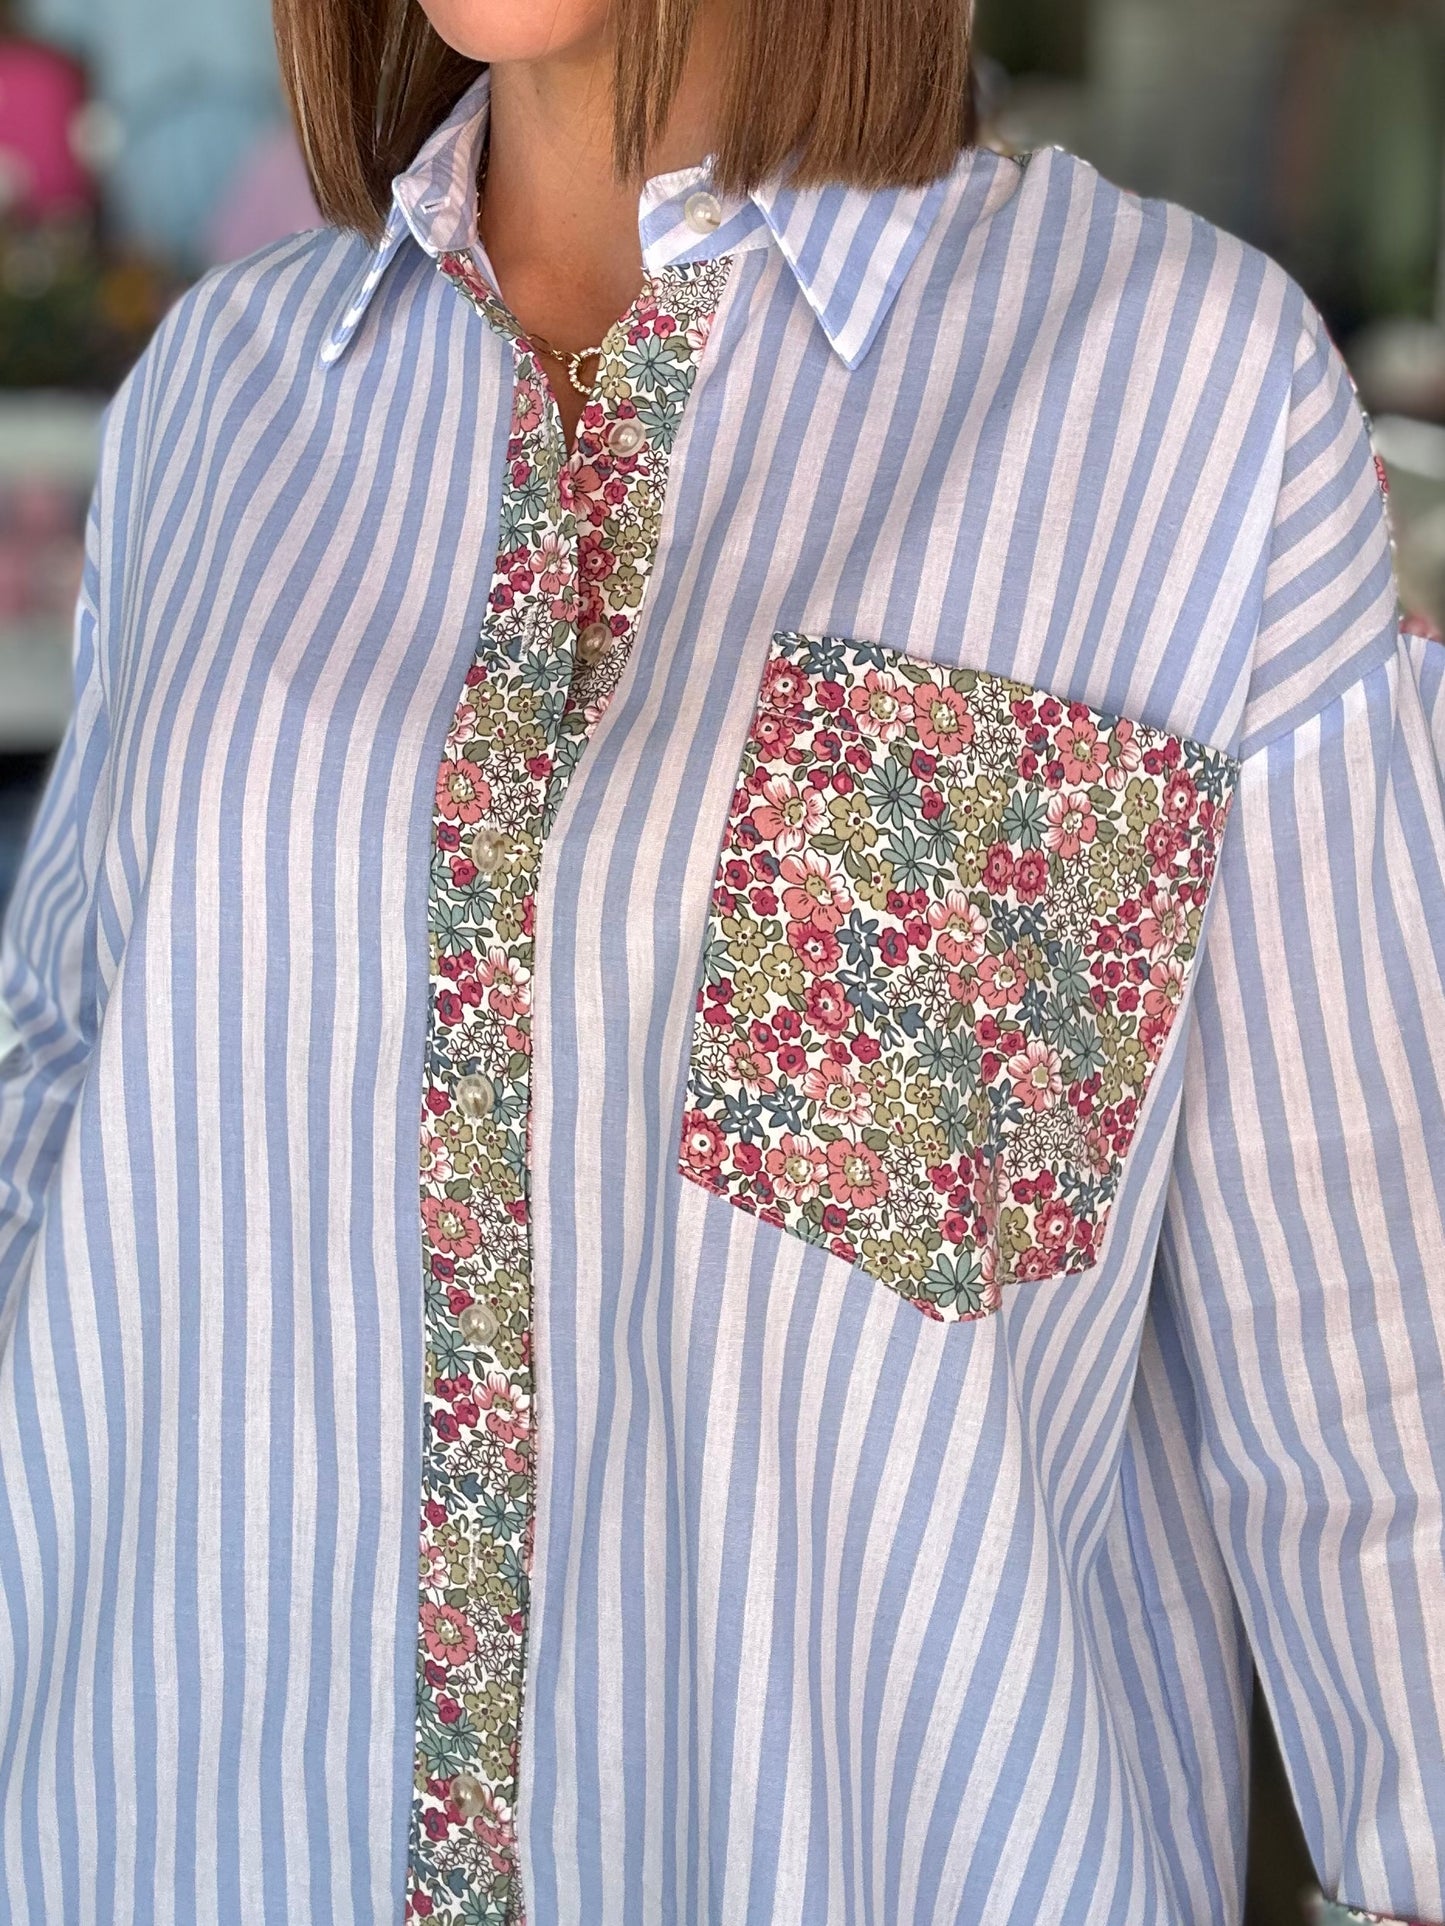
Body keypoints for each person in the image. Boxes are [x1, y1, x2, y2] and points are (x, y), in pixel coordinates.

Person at [0, 1, 1440, 1922]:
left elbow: (1367, 1366)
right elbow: (56, 1118)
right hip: (161, 1834)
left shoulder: (1184, 398)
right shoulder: (218, 401)